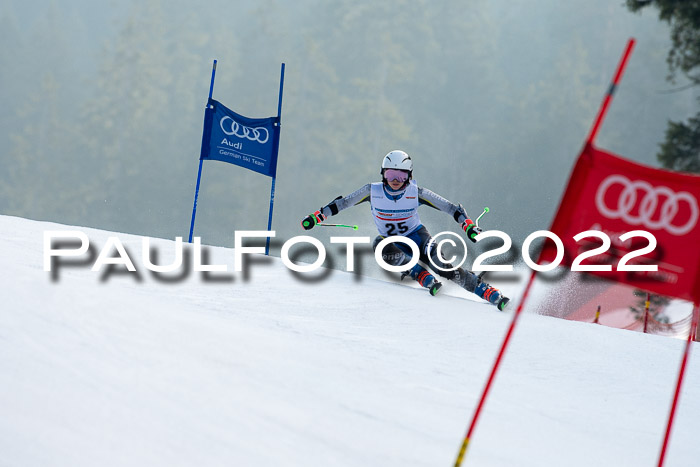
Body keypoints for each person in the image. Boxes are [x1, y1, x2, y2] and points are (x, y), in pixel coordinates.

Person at [301, 150, 510, 311]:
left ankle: (484, 290)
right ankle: (420, 275)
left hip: (418, 237)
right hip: (393, 243)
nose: (394, 180)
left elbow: (451, 208)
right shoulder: (371, 191)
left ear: (409, 176)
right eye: (390, 174)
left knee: (442, 267)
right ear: (383, 174)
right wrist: (317, 216)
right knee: (379, 244)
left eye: (400, 176)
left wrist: (469, 226)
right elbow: (343, 203)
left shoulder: (416, 193)